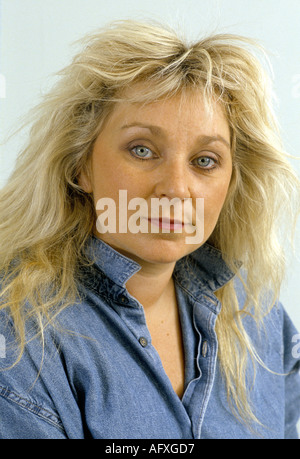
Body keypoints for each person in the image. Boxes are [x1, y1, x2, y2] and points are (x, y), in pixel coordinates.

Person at [0, 20, 299, 439]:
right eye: (142, 150)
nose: (176, 189)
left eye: (205, 161)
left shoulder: (258, 315)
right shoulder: (17, 339)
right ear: (80, 165)